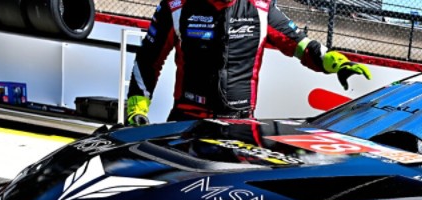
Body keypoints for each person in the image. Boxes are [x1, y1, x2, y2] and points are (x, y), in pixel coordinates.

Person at [126, 0, 372, 124]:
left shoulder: (261, 7)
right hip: (187, 119)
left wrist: (337, 63)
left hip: (240, 123)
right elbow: (149, 59)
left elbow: (302, 45)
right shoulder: (177, 5)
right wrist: (137, 109)